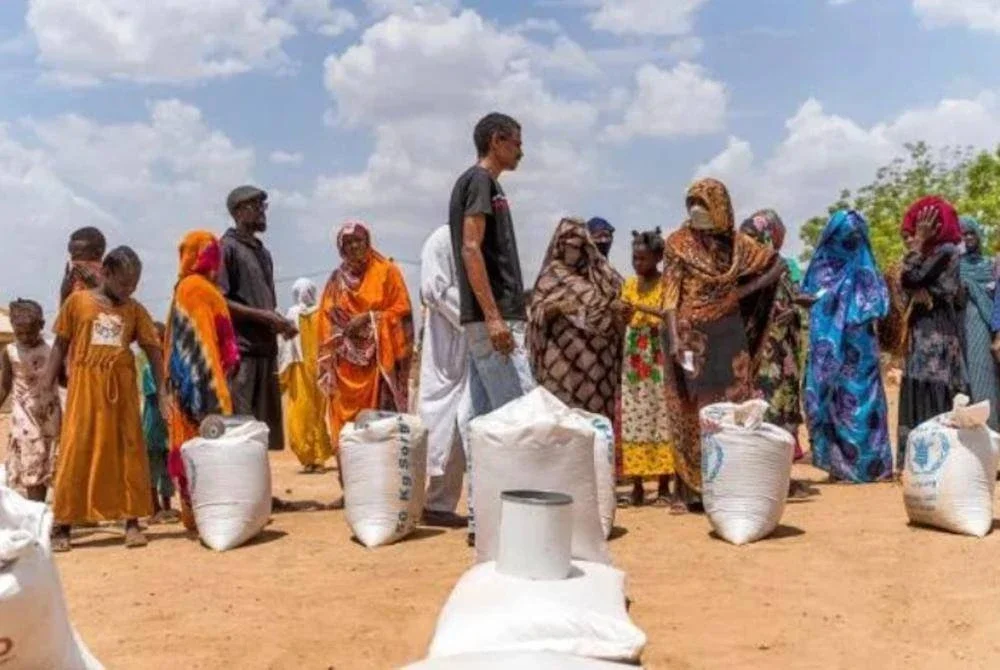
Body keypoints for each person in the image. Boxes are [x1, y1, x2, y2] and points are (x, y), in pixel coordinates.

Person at [661, 178, 783, 509]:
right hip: (690, 339)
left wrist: (739, 294)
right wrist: (674, 340)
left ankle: (730, 480)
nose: (696, 211)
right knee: (692, 411)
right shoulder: (677, 244)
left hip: (729, 337)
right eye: (691, 204)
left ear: (721, 208)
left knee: (731, 406)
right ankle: (692, 490)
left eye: (703, 203)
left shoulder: (739, 246)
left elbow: (777, 264)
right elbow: (670, 296)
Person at [41, 246, 165, 551]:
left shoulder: (134, 310)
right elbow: (60, 344)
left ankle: (132, 521)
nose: (128, 290)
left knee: (128, 451)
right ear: (105, 273)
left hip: (121, 391)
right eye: (124, 283)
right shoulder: (78, 302)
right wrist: (45, 385)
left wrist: (163, 388)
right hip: (84, 388)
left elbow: (152, 348)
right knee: (76, 450)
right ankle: (63, 524)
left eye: (134, 285)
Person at [449, 112, 535, 545]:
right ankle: (516, 523)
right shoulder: (479, 182)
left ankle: (482, 520)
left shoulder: (486, 185)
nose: (521, 150)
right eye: (517, 142)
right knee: (519, 418)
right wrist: (495, 315)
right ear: (497, 140)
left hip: (488, 319)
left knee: (479, 420)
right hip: (492, 320)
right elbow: (471, 247)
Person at [318, 221, 414, 507]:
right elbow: (325, 316)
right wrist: (339, 334)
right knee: (346, 430)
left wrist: (371, 319)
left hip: (378, 367)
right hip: (345, 367)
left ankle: (381, 488)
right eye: (347, 244)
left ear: (368, 242)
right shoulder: (336, 280)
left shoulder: (387, 272)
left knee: (378, 425)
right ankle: (351, 489)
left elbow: (403, 310)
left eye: (358, 242)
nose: (354, 248)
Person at [801, 210, 893, 483]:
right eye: (843, 234)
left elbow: (878, 307)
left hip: (859, 352)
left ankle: (870, 466)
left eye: (853, 235)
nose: (848, 240)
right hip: (828, 354)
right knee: (831, 402)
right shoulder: (822, 267)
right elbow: (809, 299)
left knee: (861, 403)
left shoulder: (864, 265)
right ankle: (840, 466)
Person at [165, 230, 241, 531]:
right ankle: (213, 513)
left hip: (183, 388)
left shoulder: (181, 289)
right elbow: (215, 343)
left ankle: (192, 515)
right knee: (210, 446)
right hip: (208, 385)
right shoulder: (202, 291)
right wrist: (215, 378)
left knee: (187, 447)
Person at [219, 186, 297, 455]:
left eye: (263, 206)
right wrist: (264, 317)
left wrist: (278, 322)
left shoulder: (263, 252)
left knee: (262, 432)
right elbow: (221, 302)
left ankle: (262, 495)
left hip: (266, 350)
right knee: (242, 430)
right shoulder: (226, 248)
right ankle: (245, 496)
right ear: (239, 212)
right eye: (256, 206)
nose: (263, 212)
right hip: (242, 354)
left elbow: (265, 302)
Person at [897, 197, 969, 472]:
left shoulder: (947, 250)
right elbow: (907, 280)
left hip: (935, 333)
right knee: (922, 384)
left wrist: (917, 246)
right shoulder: (932, 254)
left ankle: (935, 461)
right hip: (925, 329)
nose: (912, 237)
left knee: (933, 386)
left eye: (917, 228)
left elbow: (910, 278)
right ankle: (918, 461)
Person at [528, 217, 628, 417]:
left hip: (600, 365)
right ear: (559, 244)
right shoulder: (551, 274)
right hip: (562, 360)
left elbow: (620, 300)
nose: (572, 250)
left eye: (578, 245)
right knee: (563, 419)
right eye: (568, 245)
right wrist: (557, 307)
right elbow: (537, 313)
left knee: (595, 422)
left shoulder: (601, 274)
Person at [617, 229, 679, 510]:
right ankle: (638, 486)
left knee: (661, 415)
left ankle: (665, 485)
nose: (637, 263)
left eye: (642, 258)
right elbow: (624, 323)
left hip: (658, 356)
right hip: (634, 360)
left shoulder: (667, 284)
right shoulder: (628, 285)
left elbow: (670, 316)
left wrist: (640, 307)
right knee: (635, 416)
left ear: (657, 257)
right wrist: (623, 314)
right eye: (634, 258)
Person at [738, 211, 807, 458]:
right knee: (760, 399)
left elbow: (795, 297)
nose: (747, 243)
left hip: (783, 346)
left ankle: (783, 461)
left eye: (753, 237)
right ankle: (762, 458)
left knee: (784, 396)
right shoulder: (742, 269)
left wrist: (795, 309)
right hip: (755, 347)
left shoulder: (785, 266)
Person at [418, 225, 471, 528]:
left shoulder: (479, 240)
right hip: (445, 346)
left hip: (472, 346)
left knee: (466, 423)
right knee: (441, 425)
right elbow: (434, 290)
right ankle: (434, 504)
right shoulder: (440, 240)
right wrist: (473, 318)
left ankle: (442, 503)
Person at [0, 299, 60, 503]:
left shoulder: (54, 349)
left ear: (42, 325)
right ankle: (36, 514)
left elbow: (64, 379)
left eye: (30, 332)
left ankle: (46, 516)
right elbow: (5, 385)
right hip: (24, 418)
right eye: (20, 333)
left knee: (51, 464)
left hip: (51, 416)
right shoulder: (9, 352)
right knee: (32, 464)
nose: (25, 338)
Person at [279, 278, 332, 473]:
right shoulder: (322, 313)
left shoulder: (291, 315)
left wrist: (282, 375)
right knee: (317, 415)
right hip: (318, 372)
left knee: (300, 415)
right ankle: (317, 458)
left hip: (300, 372)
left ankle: (312, 459)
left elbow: (284, 348)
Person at [959, 216, 1000, 431]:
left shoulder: (990, 266)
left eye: (971, 233)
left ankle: (991, 429)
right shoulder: (955, 266)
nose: (967, 238)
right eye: (963, 234)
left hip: (985, 327)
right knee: (966, 378)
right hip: (961, 326)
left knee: (985, 375)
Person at [141, 321, 177, 524]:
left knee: (167, 468)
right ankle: (154, 509)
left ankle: (167, 507)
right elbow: (156, 395)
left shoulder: (169, 365)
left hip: (167, 425)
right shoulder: (149, 368)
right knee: (153, 468)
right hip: (154, 423)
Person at [60, 227, 106, 305]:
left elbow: (116, 311)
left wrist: (95, 285)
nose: (73, 257)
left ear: (97, 252)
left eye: (79, 252)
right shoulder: (73, 278)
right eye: (71, 250)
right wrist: (64, 293)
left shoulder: (110, 276)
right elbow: (66, 314)